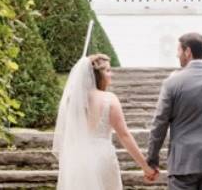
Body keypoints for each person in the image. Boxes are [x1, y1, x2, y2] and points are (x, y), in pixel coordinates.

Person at [146, 33, 202, 190]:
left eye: (179, 51)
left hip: (182, 163)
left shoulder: (172, 83)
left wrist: (152, 159)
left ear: (187, 51)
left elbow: (160, 123)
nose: (177, 55)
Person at [53, 53, 159, 189]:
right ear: (97, 75)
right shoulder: (109, 99)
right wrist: (145, 166)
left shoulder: (71, 102)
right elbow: (124, 135)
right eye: (108, 70)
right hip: (102, 158)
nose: (111, 74)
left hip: (77, 158)